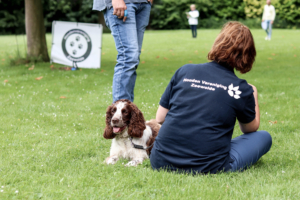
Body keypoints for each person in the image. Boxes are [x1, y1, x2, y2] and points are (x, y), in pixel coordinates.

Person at [150, 21, 272, 174]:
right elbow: (250, 128)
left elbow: (160, 117)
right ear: (247, 54)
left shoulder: (185, 71)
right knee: (264, 137)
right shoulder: (241, 88)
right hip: (207, 166)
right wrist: (252, 92)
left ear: (218, 43)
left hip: (160, 160)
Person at [93, 0, 153, 102]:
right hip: (122, 3)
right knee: (128, 57)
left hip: (143, 3)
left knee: (133, 60)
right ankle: (120, 114)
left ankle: (127, 112)